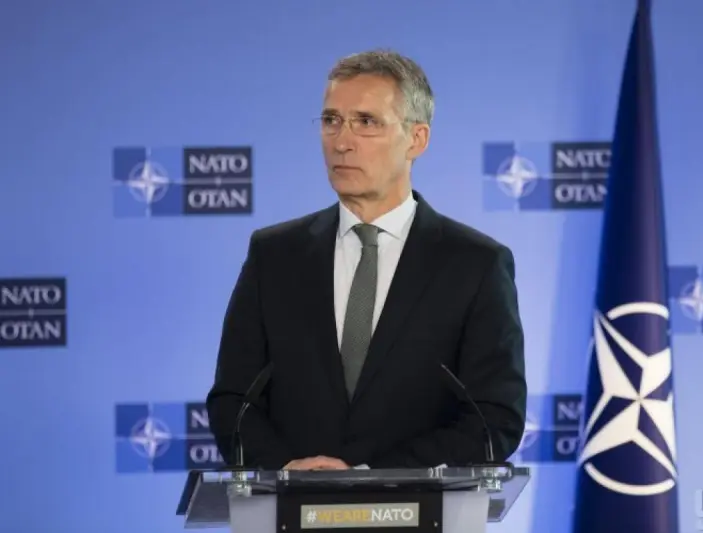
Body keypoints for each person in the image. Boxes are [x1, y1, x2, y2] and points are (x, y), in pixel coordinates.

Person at [206, 49, 527, 471]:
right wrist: (289, 471)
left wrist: (374, 477)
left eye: (366, 122)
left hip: (418, 503)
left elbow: (495, 418)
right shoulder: (274, 256)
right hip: (292, 503)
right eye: (331, 120)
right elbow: (233, 401)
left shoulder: (475, 265)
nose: (342, 141)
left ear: (417, 139)